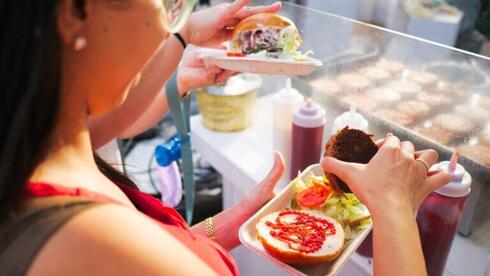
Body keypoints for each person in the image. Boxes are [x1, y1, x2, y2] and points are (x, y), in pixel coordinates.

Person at [0, 1, 451, 276]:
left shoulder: (40, 146)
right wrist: (394, 211)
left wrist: (230, 225)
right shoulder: (91, 241)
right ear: (74, 10)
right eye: (165, 3)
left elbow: (111, 116)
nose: (166, 25)